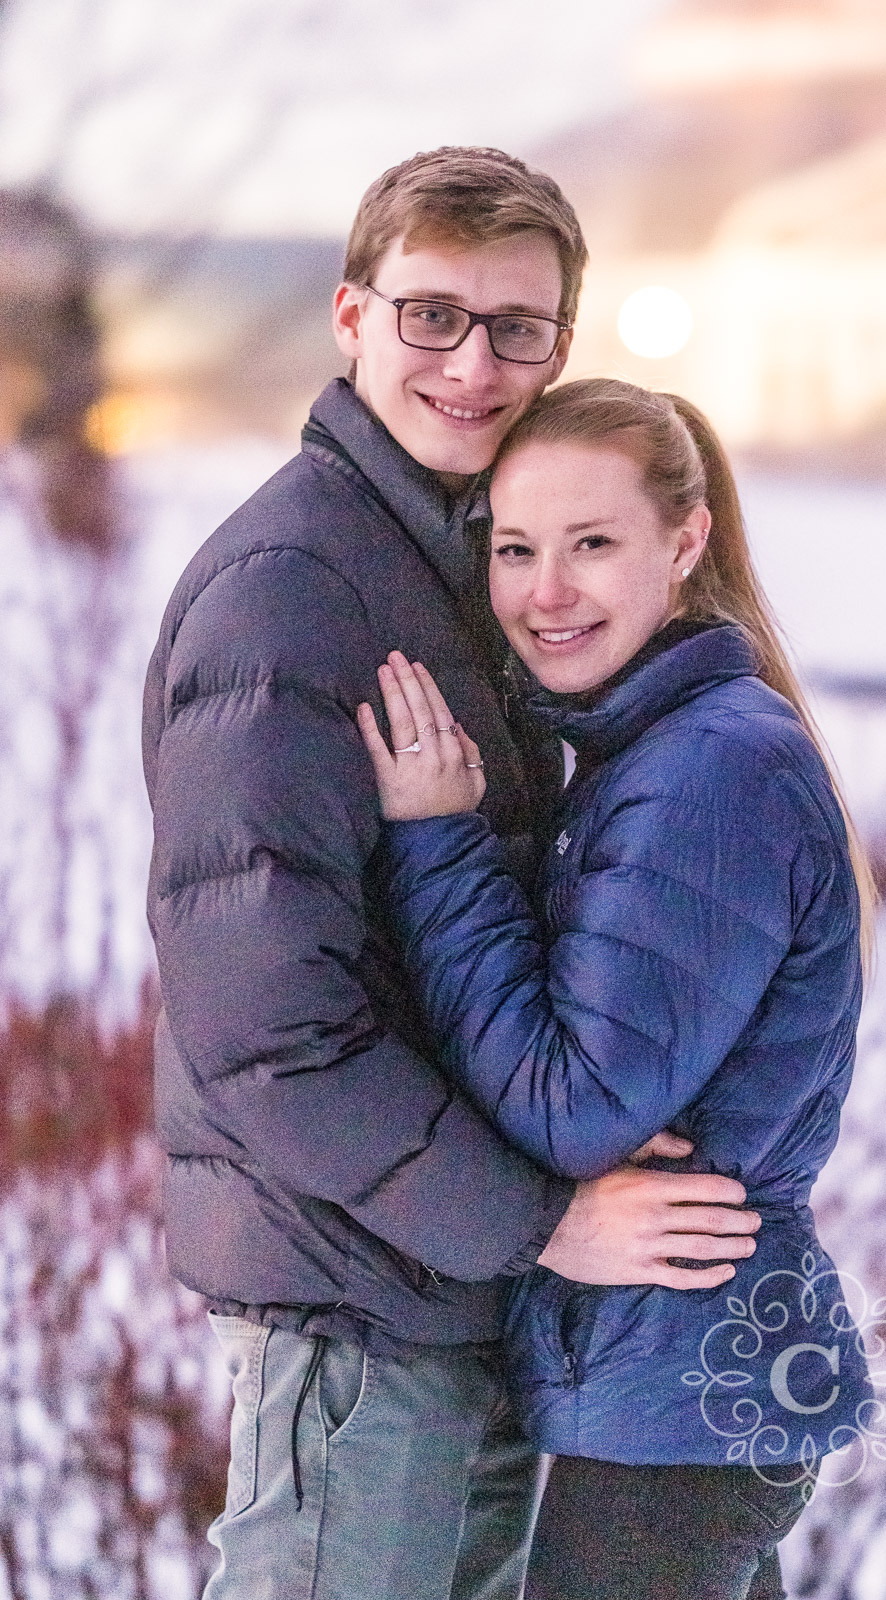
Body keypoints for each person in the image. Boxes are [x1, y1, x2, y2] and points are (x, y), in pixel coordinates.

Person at [142, 150, 762, 1600]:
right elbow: (269, 1032)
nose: (472, 365)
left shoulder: (458, 565)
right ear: (350, 319)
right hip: (358, 1306)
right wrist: (545, 1219)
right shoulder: (293, 593)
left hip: (450, 1288)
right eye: (431, 316)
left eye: (516, 328)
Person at [357, 378, 877, 1600]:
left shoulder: (707, 773)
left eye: (591, 544)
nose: (545, 592)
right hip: (685, 1380)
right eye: (517, 548)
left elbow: (577, 1106)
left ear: (682, 544)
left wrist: (440, 843)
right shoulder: (657, 748)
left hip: (684, 1388)